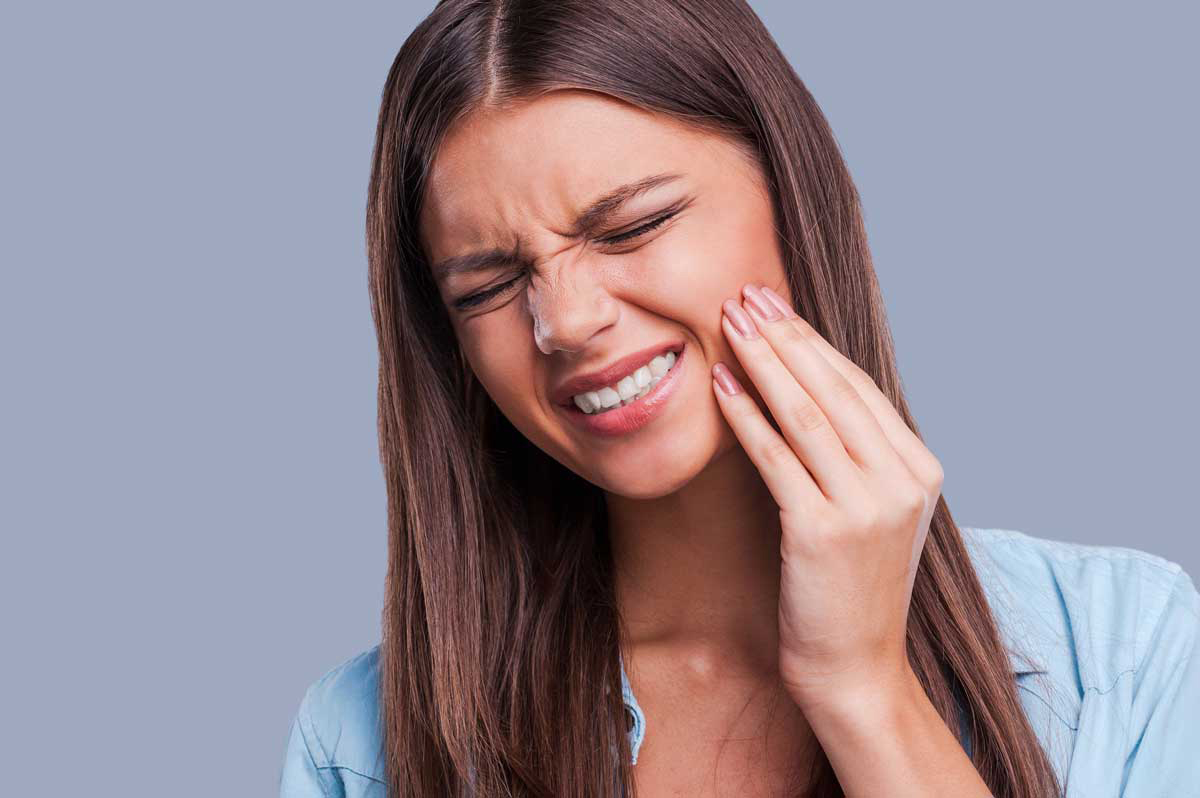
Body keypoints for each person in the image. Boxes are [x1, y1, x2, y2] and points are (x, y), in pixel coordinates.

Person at [278, 1, 1200, 795]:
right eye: (486, 287)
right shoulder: (361, 747)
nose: (562, 321)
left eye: (632, 225)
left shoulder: (1119, 651)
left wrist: (863, 690)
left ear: (793, 195)